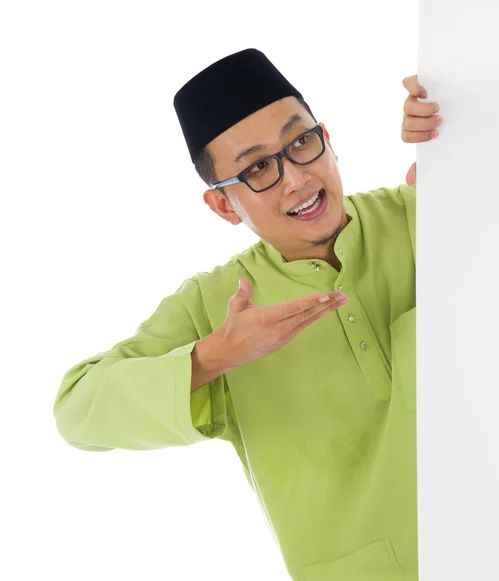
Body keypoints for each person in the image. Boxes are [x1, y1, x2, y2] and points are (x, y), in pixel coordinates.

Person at [53, 48, 442, 581]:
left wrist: (464, 129)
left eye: (302, 141)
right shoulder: (215, 305)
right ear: (222, 205)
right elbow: (78, 412)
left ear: (327, 138)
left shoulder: (424, 209)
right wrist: (214, 356)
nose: (295, 179)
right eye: (257, 168)